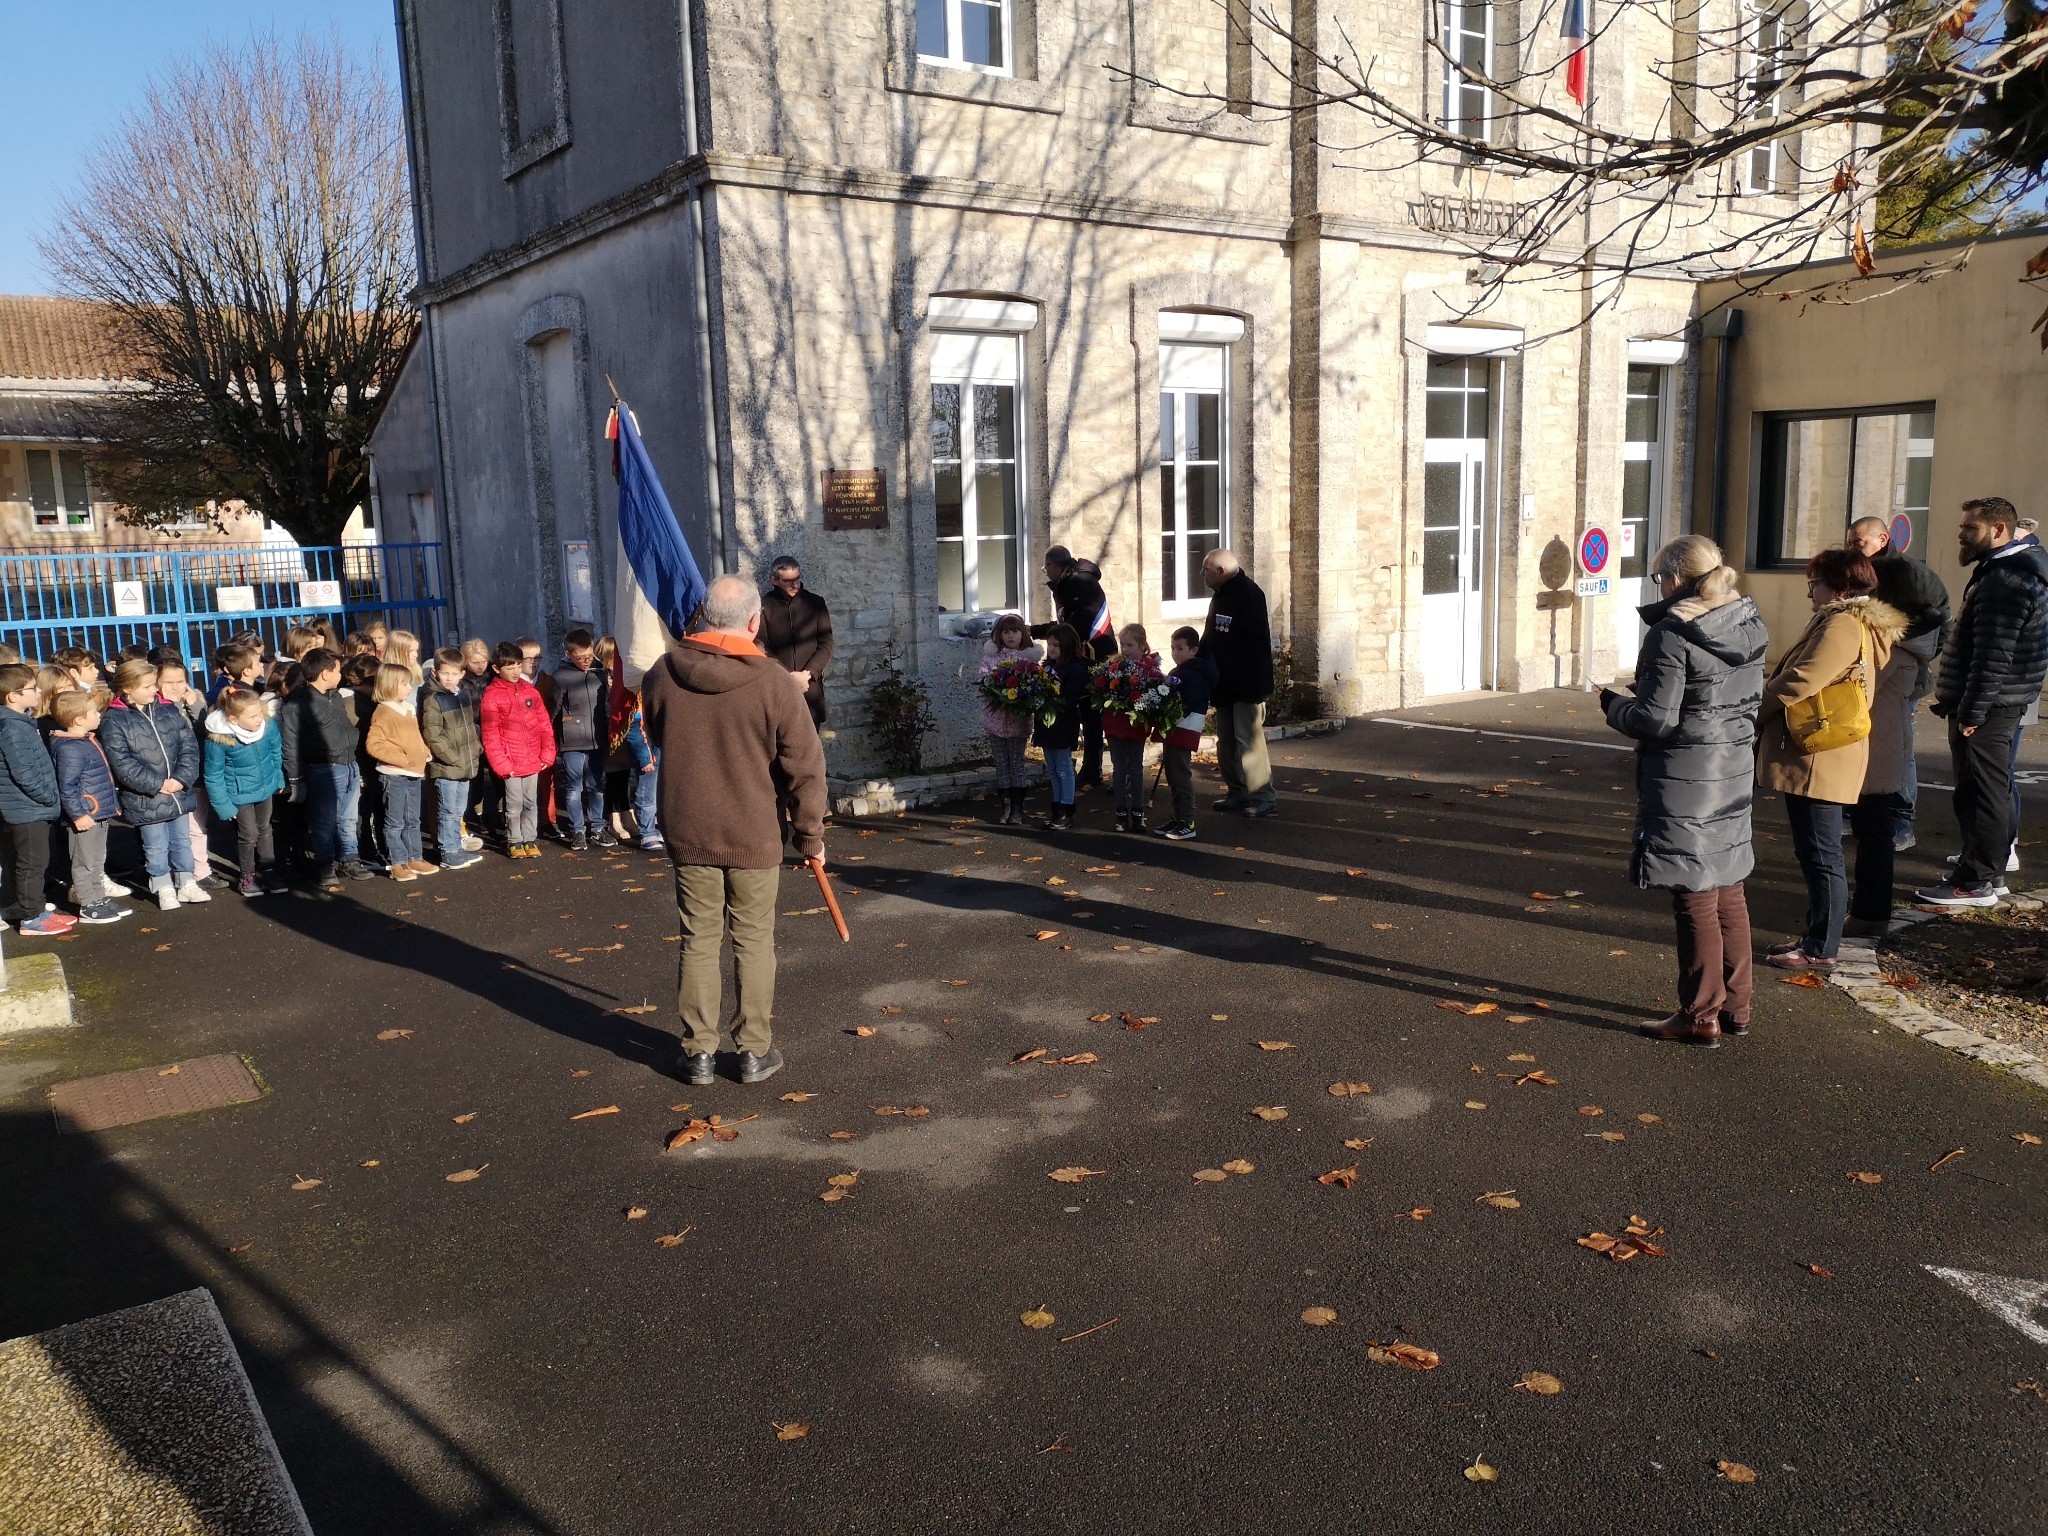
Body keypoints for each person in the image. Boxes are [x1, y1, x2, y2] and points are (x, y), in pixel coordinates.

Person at [642, 574, 827, 1087]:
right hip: (752, 829)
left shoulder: (663, 673)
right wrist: (810, 835)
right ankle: (753, 1050)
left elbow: (656, 732)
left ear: (705, 616)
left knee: (699, 938)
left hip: (689, 824)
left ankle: (699, 1052)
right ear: (754, 621)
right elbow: (805, 766)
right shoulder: (774, 682)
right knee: (753, 939)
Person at [1598, 537, 1767, 1047]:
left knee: (1695, 896)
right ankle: (1736, 1006)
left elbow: (1655, 720)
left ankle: (1699, 1014)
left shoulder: (1672, 632)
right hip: (1731, 767)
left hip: (1685, 775)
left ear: (1674, 579)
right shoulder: (1746, 621)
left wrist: (1613, 706)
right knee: (1728, 887)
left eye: (1658, 578)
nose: (1659, 586)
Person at [1755, 548, 1903, 969]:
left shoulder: (1842, 623)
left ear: (1840, 586)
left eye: (1815, 584)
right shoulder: (1851, 621)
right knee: (1816, 852)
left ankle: (1820, 948)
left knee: (1821, 854)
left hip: (1820, 753)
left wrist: (1752, 711)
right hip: (1823, 751)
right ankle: (1815, 938)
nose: (1810, 593)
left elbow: (1802, 678)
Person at [1920, 497, 2048, 906]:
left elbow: (1994, 654)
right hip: (2000, 700)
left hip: (1990, 704)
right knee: (1988, 789)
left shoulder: (2006, 580)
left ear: (1999, 530)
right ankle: (1985, 873)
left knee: (1982, 793)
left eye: (1970, 528)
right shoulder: (2007, 571)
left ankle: (1975, 883)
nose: (1961, 534)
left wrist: (1972, 712)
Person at [1847, 516, 1951, 850]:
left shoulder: (1908, 573)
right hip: (1869, 673)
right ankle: (1859, 811)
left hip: (1903, 674)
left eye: (1859, 542)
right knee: (1861, 740)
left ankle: (1901, 822)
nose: (1853, 548)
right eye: (1850, 542)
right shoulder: (1859, 570)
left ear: (1882, 539)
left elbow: (1938, 622)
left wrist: (1913, 657)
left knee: (1898, 748)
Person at [102, 659, 209, 911]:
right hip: (146, 797)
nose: (154, 690)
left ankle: (187, 882)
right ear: (127, 689)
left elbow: (188, 746)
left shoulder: (168, 711)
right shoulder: (114, 720)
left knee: (182, 839)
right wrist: (157, 784)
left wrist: (181, 779)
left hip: (177, 791)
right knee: (155, 844)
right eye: (148, 686)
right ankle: (162, 886)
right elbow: (122, 762)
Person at [1844, 600, 1921, 938]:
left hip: (1877, 746)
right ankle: (1871, 912)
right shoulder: (1899, 647)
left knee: (1874, 832)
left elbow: (1852, 687)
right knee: (1874, 831)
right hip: (1882, 744)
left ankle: (1870, 914)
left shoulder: (1885, 650)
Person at [281, 647, 373, 884]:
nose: (341, 675)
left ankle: (349, 858)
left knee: (349, 817)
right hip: (323, 768)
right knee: (325, 819)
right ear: (324, 673)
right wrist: (295, 779)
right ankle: (324, 862)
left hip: (349, 764)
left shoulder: (336, 696)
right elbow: (290, 743)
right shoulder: (298, 704)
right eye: (337, 670)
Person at [1199, 548, 1276, 818]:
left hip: (1246, 684)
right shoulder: (1220, 595)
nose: (1202, 573)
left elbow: (1256, 645)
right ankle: (1237, 792)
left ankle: (1263, 795)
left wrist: (1251, 684)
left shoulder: (1249, 594)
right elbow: (1211, 635)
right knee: (1226, 742)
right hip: (1224, 683)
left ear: (1221, 571)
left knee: (1248, 740)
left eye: (1206, 569)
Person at [0, 663, 74, 935]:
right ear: (13, 696)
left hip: (30, 806)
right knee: (33, 863)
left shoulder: (20, 722)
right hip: (27, 808)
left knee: (28, 861)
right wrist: (47, 796)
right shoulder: (12, 727)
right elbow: (24, 772)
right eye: (32, 688)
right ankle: (31, 918)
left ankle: (26, 908)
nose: (38, 691)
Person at [1030, 547, 1113, 786]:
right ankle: (1090, 768)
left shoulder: (1080, 584)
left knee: (1091, 713)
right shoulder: (1070, 583)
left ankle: (1092, 769)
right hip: (1083, 653)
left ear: (1054, 566)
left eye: (1046, 568)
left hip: (1094, 653)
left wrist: (1035, 631)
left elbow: (1072, 628)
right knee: (1087, 713)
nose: (1047, 573)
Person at [48, 690, 129, 923]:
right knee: (84, 861)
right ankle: (87, 903)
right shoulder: (70, 748)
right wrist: (78, 814)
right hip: (85, 815)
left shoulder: (85, 740)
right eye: (94, 712)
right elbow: (67, 786)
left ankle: (98, 897)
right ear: (78, 719)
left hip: (97, 811)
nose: (99, 715)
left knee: (96, 859)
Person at [201, 687, 286, 897]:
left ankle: (269, 871)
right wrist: (223, 805)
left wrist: (278, 778)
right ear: (234, 719)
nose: (259, 719)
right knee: (248, 834)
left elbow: (276, 751)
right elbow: (213, 775)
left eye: (260, 713)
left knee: (265, 829)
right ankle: (247, 876)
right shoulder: (219, 739)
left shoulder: (267, 727)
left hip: (265, 787)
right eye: (253, 716)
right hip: (239, 794)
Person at [481, 640, 554, 859]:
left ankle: (529, 838)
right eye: (509, 667)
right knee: (514, 804)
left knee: (531, 802)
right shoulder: (492, 696)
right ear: (497, 668)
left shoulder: (530, 691)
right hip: (510, 761)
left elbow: (544, 724)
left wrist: (547, 752)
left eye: (518, 665)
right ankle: (514, 839)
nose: (515, 671)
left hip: (532, 758)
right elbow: (490, 734)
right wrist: (502, 764)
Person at [365, 662, 435, 882]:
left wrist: (424, 752)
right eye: (404, 684)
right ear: (390, 685)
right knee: (395, 821)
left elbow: (415, 737)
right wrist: (402, 759)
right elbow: (374, 745)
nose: (409, 688)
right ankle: (397, 862)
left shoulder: (408, 709)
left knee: (412, 818)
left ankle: (415, 857)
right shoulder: (383, 712)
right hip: (394, 774)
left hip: (414, 772)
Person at [421, 648, 484, 871]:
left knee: (458, 810)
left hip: (465, 763)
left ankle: (456, 846)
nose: (449, 678)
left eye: (454, 673)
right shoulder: (433, 699)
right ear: (435, 672)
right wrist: (452, 758)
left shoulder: (462, 695)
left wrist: (475, 750)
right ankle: (447, 850)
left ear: (462, 673)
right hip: (447, 766)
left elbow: (469, 727)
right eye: (444, 673)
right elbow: (433, 734)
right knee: (447, 811)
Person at [550, 628, 612, 850]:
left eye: (589, 657)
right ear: (568, 655)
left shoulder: (599, 673)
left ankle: (598, 827)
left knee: (596, 785)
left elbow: (606, 705)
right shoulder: (560, 677)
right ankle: (577, 830)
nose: (586, 662)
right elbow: (554, 711)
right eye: (580, 658)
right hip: (572, 741)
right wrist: (553, 740)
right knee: (574, 788)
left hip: (596, 738)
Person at [1154, 625, 1217, 840]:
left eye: (1180, 648)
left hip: (1184, 727)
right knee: (1172, 774)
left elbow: (1187, 704)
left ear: (1193, 650)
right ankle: (1178, 817)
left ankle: (1187, 821)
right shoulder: (1180, 671)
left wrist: (1167, 715)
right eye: (1173, 648)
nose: (1175, 653)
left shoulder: (1194, 674)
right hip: (1174, 727)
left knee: (1180, 775)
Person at [978, 613, 1041, 826]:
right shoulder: (991, 658)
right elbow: (983, 683)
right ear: (999, 635)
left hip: (1017, 721)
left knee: (1016, 763)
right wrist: (996, 693)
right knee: (1001, 763)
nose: (1011, 636)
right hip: (995, 719)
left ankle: (1017, 808)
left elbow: (1035, 686)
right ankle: (1005, 804)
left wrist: (1020, 698)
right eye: (1006, 632)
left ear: (1022, 633)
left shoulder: (1028, 659)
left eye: (1015, 631)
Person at [1100, 623, 1161, 833]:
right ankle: (1120, 814)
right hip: (1115, 724)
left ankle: (1137, 813)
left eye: (1130, 645)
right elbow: (1103, 691)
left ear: (1142, 646)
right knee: (1119, 769)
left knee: (1135, 768)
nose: (1125, 649)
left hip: (1135, 726)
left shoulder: (1150, 670)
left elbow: (1155, 696)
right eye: (1122, 644)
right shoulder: (1113, 667)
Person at [759, 556, 834, 726]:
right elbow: (762, 646)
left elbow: (826, 643)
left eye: (797, 579)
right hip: (778, 686)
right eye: (788, 581)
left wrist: (807, 674)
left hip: (809, 687)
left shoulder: (815, 603)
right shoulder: (764, 606)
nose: (795, 585)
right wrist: (788, 677)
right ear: (775, 581)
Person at [1034, 624, 1089, 831]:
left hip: (1063, 723)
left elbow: (1071, 698)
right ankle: (1056, 808)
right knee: (1052, 768)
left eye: (1056, 645)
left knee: (1064, 767)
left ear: (1067, 646)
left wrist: (1051, 698)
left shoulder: (1074, 668)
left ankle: (1067, 809)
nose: (1051, 649)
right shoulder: (1047, 666)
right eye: (1049, 644)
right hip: (1046, 723)